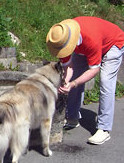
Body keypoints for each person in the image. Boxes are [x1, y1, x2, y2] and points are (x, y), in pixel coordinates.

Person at [46, 16, 124, 145]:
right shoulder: (62, 37)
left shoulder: (90, 39)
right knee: (74, 77)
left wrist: (74, 83)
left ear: (72, 42)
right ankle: (72, 118)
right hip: (87, 44)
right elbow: (68, 66)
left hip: (113, 43)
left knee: (106, 83)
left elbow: (94, 70)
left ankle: (104, 129)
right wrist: (66, 82)